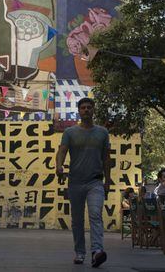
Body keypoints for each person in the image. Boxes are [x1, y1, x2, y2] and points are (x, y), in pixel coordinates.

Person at [56, 97, 110, 267]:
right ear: (79, 111)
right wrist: (59, 166)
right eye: (83, 108)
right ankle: (80, 253)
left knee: (95, 214)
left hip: (95, 182)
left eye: (89, 107)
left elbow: (106, 158)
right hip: (75, 182)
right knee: (77, 219)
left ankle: (97, 251)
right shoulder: (70, 133)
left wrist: (108, 180)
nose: (86, 110)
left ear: (93, 110)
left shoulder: (103, 133)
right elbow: (62, 151)